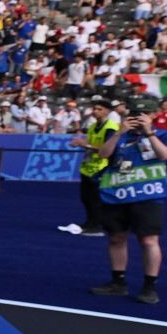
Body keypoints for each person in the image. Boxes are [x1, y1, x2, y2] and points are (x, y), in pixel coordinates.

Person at [89, 105, 167, 305]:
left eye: (142, 115)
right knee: (116, 238)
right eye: (133, 115)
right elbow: (103, 154)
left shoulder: (165, 135)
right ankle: (118, 282)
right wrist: (119, 132)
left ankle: (149, 286)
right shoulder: (120, 136)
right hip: (117, 195)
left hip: (148, 196)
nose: (137, 119)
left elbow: (164, 155)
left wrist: (149, 132)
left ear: (152, 116)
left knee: (149, 241)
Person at [66, 97, 121, 235]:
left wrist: (84, 144)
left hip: (100, 167)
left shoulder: (111, 127)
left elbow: (108, 148)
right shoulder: (92, 127)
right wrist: (81, 144)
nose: (95, 111)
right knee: (85, 197)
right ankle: (89, 222)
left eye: (99, 109)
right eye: (94, 109)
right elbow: (91, 144)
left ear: (107, 112)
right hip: (88, 166)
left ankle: (97, 225)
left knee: (95, 199)